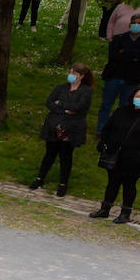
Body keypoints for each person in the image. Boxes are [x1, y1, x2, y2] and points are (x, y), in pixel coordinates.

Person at [90, 86, 140, 224]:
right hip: (115, 155)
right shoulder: (121, 111)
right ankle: (105, 209)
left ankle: (125, 213)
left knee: (129, 185)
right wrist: (105, 144)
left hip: (136, 158)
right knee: (112, 183)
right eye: (138, 96)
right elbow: (107, 129)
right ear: (132, 97)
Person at [29, 64, 94, 197]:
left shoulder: (86, 91)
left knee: (66, 156)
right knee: (49, 154)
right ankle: (40, 178)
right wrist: (64, 109)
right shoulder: (61, 87)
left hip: (71, 129)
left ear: (82, 76)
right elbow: (49, 103)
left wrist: (61, 104)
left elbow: (79, 107)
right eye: (70, 72)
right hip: (54, 126)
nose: (71, 75)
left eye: (75, 73)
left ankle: (63, 183)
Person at [97, 12, 140, 133]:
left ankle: (120, 130)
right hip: (114, 75)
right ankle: (101, 130)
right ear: (129, 24)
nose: (136, 25)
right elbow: (113, 56)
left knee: (126, 106)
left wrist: (124, 52)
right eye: (133, 23)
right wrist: (135, 55)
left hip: (132, 78)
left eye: (139, 23)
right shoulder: (118, 38)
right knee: (106, 105)